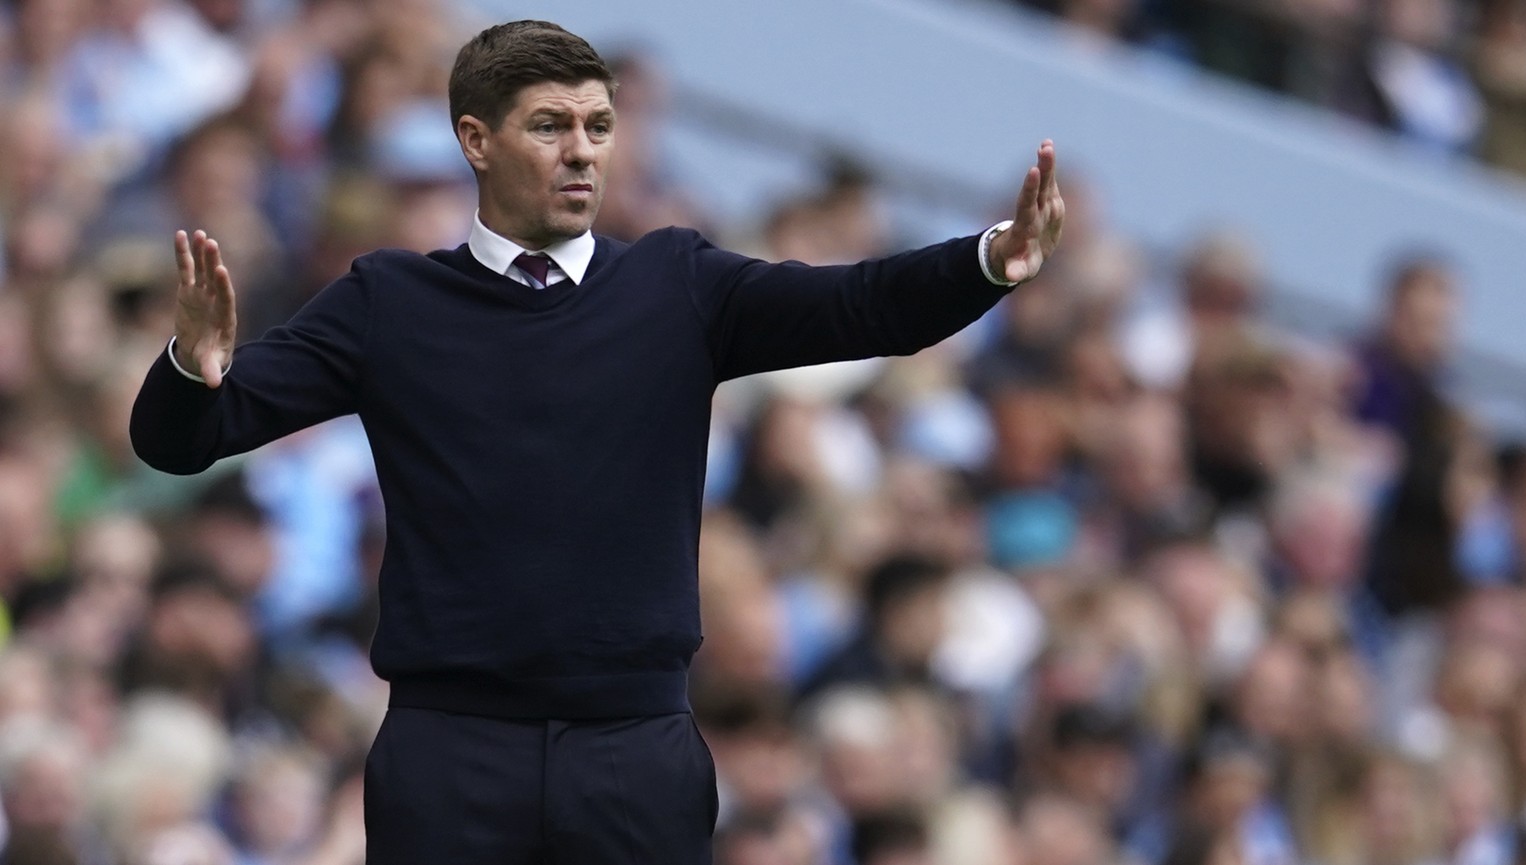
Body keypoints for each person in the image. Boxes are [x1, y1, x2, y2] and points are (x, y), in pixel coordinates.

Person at [128, 19, 1066, 865]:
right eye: (550, 126)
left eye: (599, 127)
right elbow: (184, 439)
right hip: (452, 749)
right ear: (475, 141)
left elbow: (861, 304)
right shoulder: (389, 302)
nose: (583, 152)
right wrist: (189, 361)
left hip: (635, 750)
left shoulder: (678, 284)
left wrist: (987, 259)